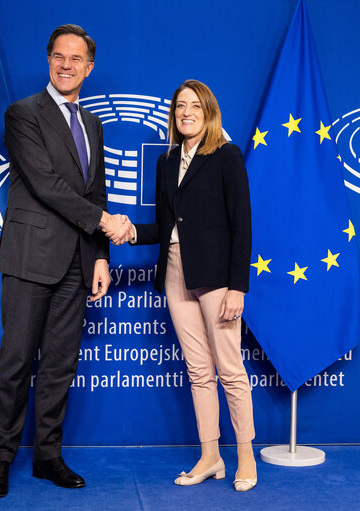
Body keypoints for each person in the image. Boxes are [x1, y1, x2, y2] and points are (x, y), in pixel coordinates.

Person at [0, 24, 131, 498]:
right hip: (30, 258)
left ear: (89, 68)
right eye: (58, 57)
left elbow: (95, 188)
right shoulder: (22, 114)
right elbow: (46, 184)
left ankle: (47, 457)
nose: (66, 65)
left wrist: (101, 256)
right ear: (49, 60)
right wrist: (106, 221)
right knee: (16, 362)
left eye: (76, 59)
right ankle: (1, 460)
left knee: (60, 366)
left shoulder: (92, 125)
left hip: (77, 263)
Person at [109, 80, 256, 491]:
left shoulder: (227, 156)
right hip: (175, 271)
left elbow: (241, 225)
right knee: (197, 371)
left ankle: (245, 456)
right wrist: (130, 232)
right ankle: (211, 457)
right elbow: (166, 226)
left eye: (194, 106)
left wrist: (236, 287)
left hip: (216, 278)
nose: (186, 112)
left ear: (208, 112)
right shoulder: (166, 161)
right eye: (179, 106)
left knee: (229, 369)